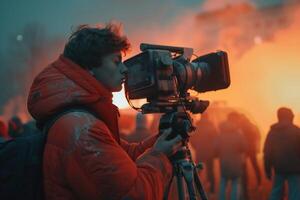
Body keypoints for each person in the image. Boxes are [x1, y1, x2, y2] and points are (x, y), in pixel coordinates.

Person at [27, 23, 182, 200]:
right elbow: (133, 194)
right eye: (116, 62)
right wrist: (160, 156)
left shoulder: (79, 119)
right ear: (89, 67)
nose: (124, 69)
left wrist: (162, 139)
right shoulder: (84, 131)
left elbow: (124, 157)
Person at [263, 107, 300, 200]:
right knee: (295, 193)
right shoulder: (297, 131)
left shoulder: (272, 132)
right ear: (290, 117)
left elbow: (267, 152)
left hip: (278, 168)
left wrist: (267, 169)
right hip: (295, 169)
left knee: (276, 192)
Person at [216, 112, 247, 200]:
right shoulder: (238, 133)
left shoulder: (221, 132)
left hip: (224, 161)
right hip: (236, 162)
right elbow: (244, 147)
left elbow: (215, 147)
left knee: (223, 183)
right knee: (235, 183)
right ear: (235, 119)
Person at [190, 112, 218, 194]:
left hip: (200, 151)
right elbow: (216, 138)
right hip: (210, 152)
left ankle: (194, 188)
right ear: (208, 117)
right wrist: (214, 150)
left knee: (198, 170)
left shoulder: (196, 125)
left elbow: (192, 138)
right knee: (210, 171)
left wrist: (196, 147)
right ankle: (212, 189)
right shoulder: (211, 125)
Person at [236, 113, 262, 199]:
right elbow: (258, 136)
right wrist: (257, 146)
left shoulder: (240, 126)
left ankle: (245, 185)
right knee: (255, 165)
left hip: (244, 149)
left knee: (244, 167)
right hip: (252, 149)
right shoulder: (252, 126)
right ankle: (259, 183)